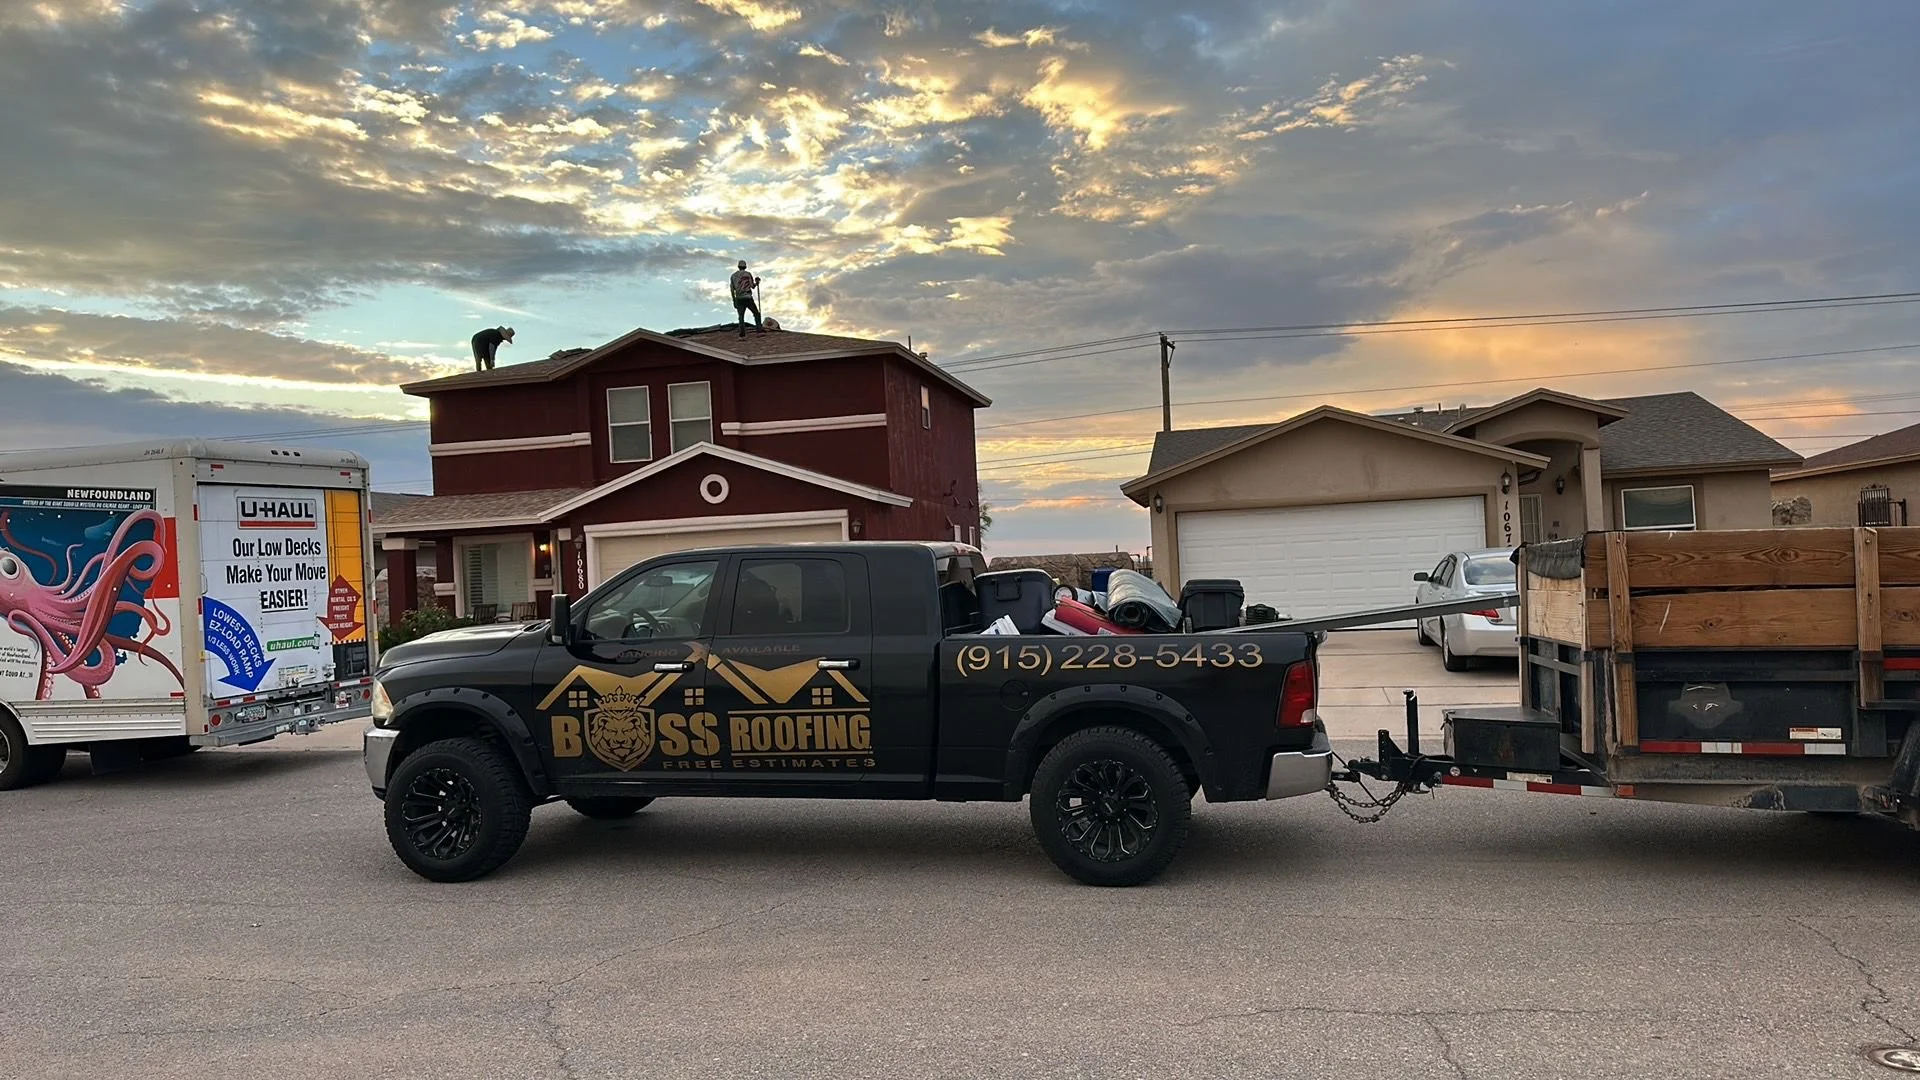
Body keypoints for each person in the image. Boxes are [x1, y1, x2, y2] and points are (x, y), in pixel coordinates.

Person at [729, 261, 764, 337]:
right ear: (745, 267)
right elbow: (752, 286)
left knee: (741, 317)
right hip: (747, 297)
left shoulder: (733, 276)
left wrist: (734, 301)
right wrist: (757, 282)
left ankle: (742, 334)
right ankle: (759, 330)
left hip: (739, 298)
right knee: (756, 313)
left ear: (738, 267)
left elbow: (732, 289)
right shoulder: (747, 274)